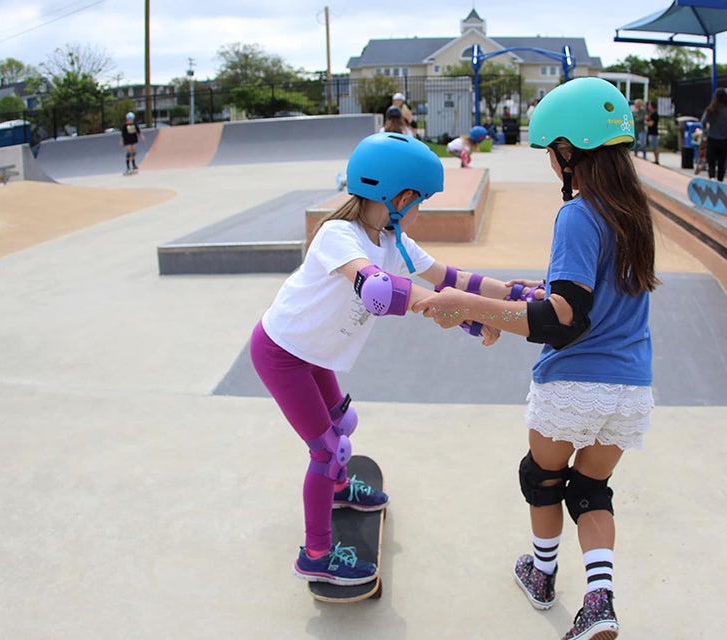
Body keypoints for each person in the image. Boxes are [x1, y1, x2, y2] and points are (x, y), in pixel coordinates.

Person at [415, 77, 659, 640]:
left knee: (542, 479)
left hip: (574, 386)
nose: (552, 162)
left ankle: (542, 578)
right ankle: (600, 600)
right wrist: (533, 291)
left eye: (552, 152)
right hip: (632, 390)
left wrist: (468, 305)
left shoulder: (578, 214)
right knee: (591, 490)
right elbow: (585, 297)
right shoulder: (634, 214)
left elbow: (564, 317)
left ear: (569, 151)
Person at [251, 131, 529, 586]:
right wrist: (460, 312)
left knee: (343, 425)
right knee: (326, 449)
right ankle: (317, 554)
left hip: (317, 353)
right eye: (421, 200)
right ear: (400, 196)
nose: (421, 209)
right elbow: (378, 291)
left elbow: (450, 278)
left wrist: (517, 295)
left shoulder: (393, 238)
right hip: (283, 352)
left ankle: (339, 491)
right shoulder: (338, 235)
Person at [700, 88, 727, 181]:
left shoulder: (711, 110)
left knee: (711, 162)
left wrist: (706, 132)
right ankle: (720, 180)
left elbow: (703, 122)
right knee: (721, 163)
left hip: (712, 138)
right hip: (723, 140)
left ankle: (711, 178)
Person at [645, 100, 659, 164]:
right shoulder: (651, 114)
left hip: (653, 133)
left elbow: (651, 124)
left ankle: (657, 160)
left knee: (654, 147)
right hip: (651, 132)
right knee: (653, 147)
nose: (648, 107)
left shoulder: (654, 114)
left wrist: (645, 122)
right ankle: (656, 159)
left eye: (649, 105)